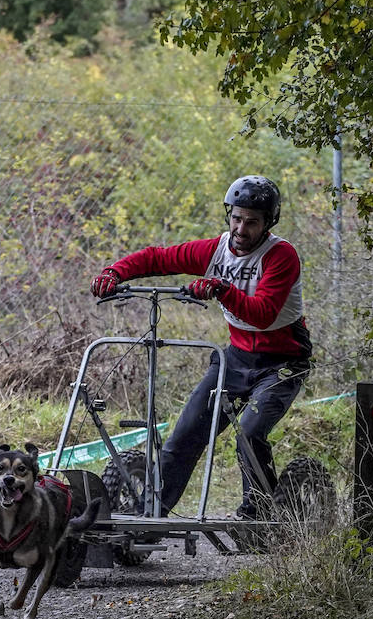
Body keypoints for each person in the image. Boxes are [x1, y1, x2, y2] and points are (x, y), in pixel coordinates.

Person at [89, 175, 312, 519]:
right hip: (237, 358)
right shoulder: (216, 249)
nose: (241, 229)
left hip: (282, 361)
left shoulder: (281, 255)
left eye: (252, 222)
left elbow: (264, 315)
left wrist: (221, 289)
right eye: (236, 218)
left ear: (269, 223)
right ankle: (149, 515)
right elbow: (157, 258)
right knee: (186, 434)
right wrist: (115, 272)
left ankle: (261, 518)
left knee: (249, 435)